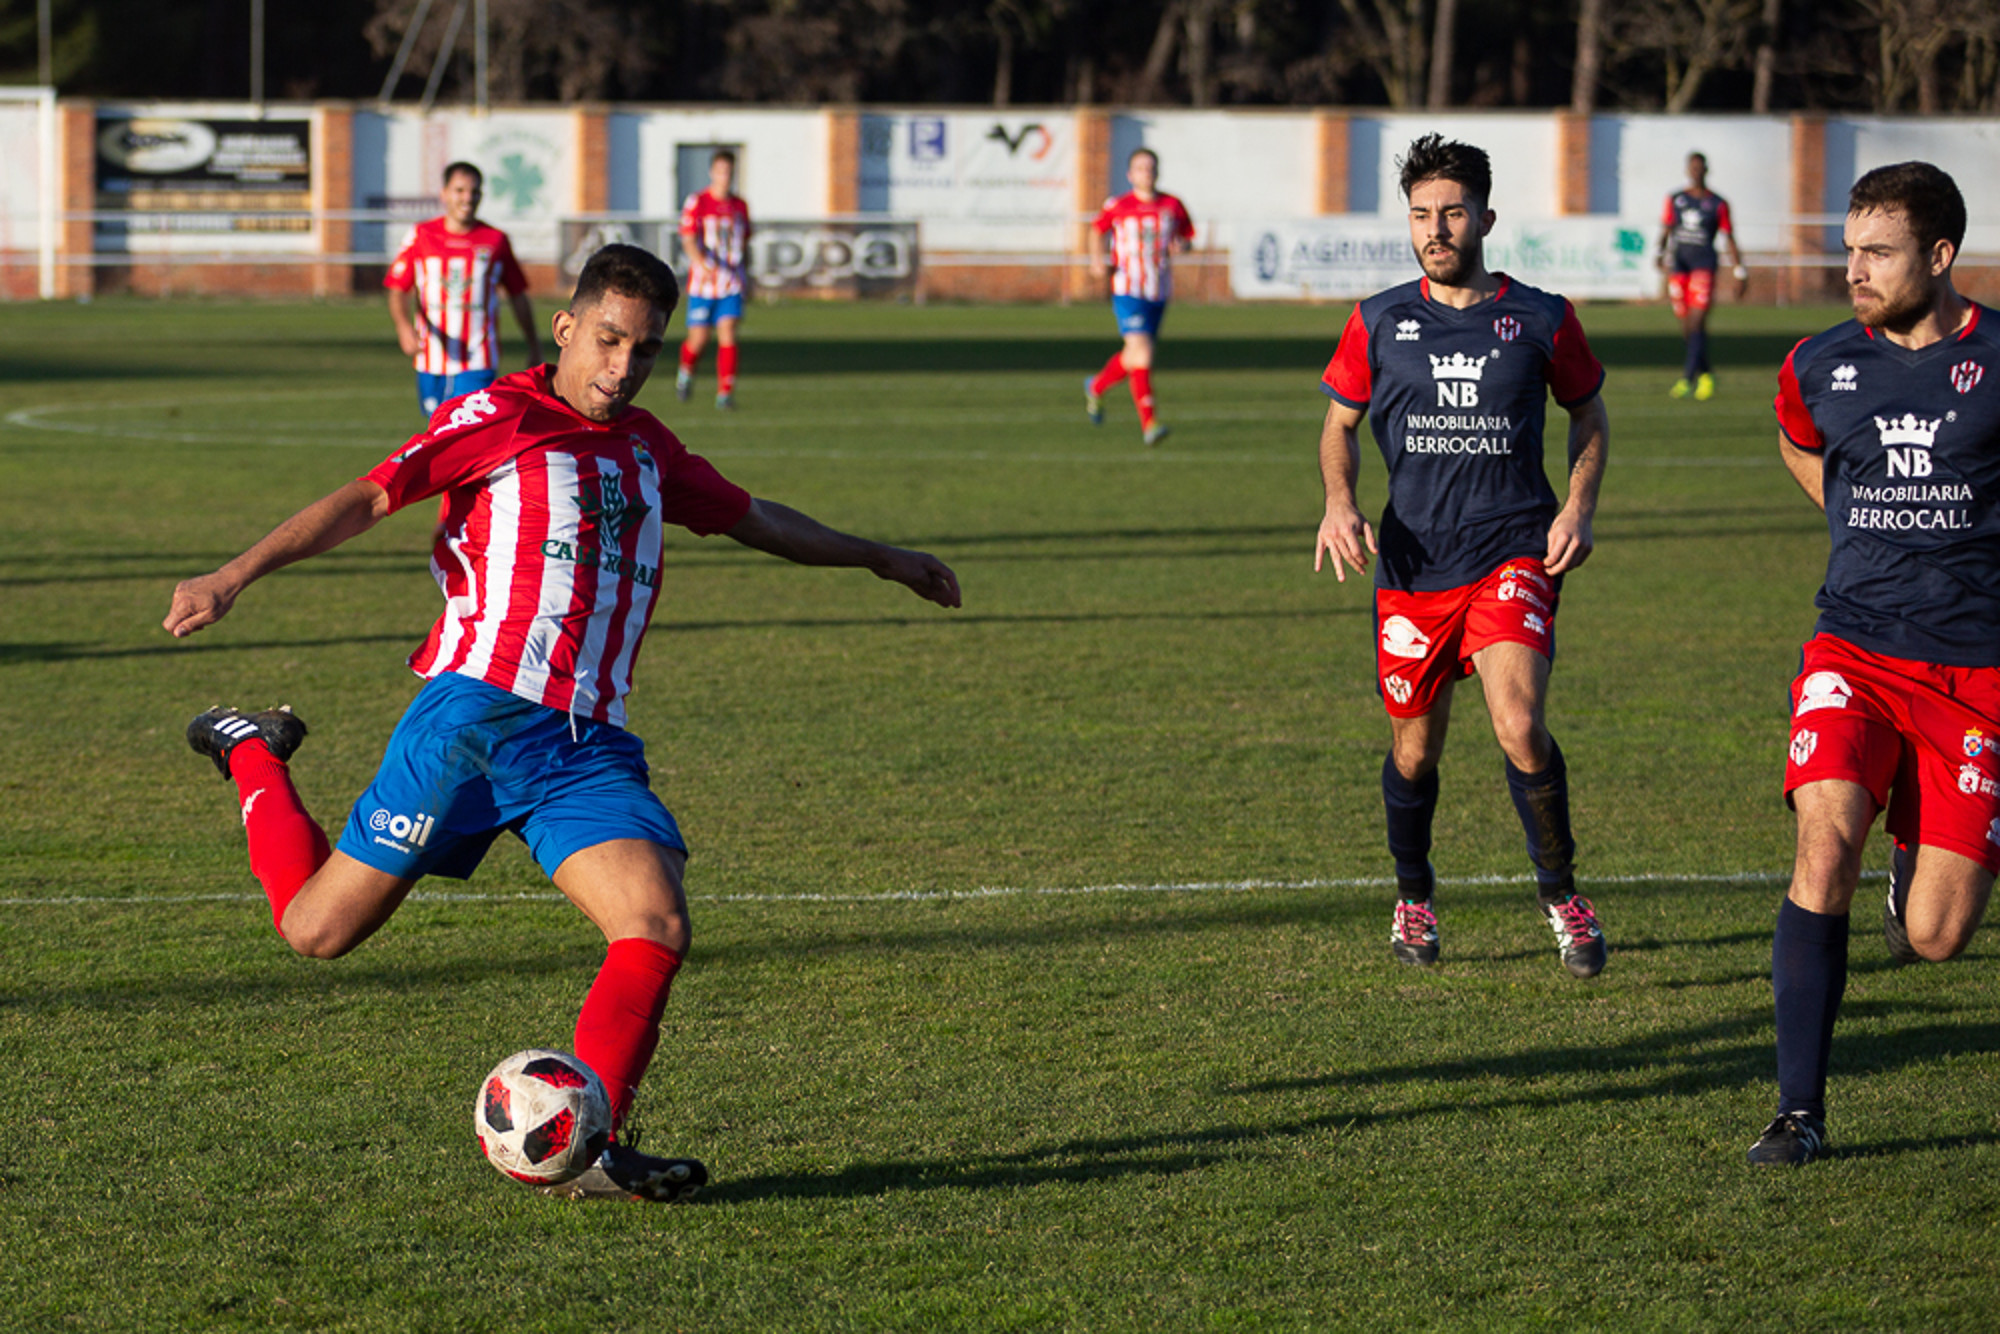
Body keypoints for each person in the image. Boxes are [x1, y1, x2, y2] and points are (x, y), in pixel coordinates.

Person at [164, 244, 961, 1202]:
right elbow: (370, 496)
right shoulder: (498, 415)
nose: (623, 367)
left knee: (655, 922)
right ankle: (253, 750)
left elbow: (758, 519)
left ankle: (596, 1152)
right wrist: (232, 574)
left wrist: (882, 556)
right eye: (611, 340)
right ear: (567, 329)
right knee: (316, 932)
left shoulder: (648, 448)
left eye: (647, 350)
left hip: (584, 744)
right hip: (473, 721)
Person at [1313, 134, 1611, 978]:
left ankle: (1561, 894)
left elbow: (1589, 417)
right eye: (1420, 215)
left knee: (1519, 724)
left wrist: (1579, 507)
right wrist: (1339, 501)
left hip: (1512, 549)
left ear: (1484, 216)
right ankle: (1414, 894)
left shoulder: (1542, 317)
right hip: (1411, 568)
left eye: (1450, 213)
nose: (1435, 229)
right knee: (1416, 752)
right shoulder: (1377, 318)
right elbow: (1338, 426)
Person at [1750, 161, 2000, 1167]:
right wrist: (1855, 523)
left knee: (1937, 937)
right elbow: (1796, 440)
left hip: (1975, 671)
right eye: (1847, 249)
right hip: (1850, 645)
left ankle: (1915, 875)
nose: (1851, 269)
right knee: (1822, 844)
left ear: (1938, 257)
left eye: (1876, 252)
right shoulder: (1815, 362)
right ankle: (1797, 1111)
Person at [386, 161, 543, 418]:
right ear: (444, 193)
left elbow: (518, 295)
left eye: (474, 191)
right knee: (436, 431)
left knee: (465, 432)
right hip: (430, 357)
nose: (468, 198)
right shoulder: (421, 235)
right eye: (460, 190)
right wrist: (403, 327)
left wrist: (533, 344)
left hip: (478, 358)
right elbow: (397, 288)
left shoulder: (495, 240)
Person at [1084, 148, 1194, 447]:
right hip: (1127, 289)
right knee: (1143, 352)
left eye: (1151, 167)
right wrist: (1096, 261)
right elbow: (1096, 230)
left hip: (1158, 290)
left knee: (1133, 356)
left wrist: (1182, 247)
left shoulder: (1172, 205)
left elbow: (1186, 238)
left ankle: (1095, 386)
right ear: (1130, 175)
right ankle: (1150, 424)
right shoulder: (1119, 205)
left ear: (1157, 172)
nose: (1146, 172)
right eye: (1140, 168)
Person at [1657, 152, 1748, 401]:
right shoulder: (1676, 199)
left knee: (1697, 322)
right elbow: (1666, 229)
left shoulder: (1718, 203)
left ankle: (1687, 378)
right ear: (1688, 170)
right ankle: (1707, 374)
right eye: (1692, 167)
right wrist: (1659, 252)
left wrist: (1740, 271)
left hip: (1703, 266)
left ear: (1706, 170)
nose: (1696, 171)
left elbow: (1729, 237)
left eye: (1700, 167)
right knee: (1687, 326)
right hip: (1679, 266)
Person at [675, 149, 752, 410]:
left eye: (729, 171)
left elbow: (745, 244)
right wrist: (701, 262)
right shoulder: (698, 202)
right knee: (699, 338)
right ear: (712, 172)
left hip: (731, 284)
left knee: (728, 333)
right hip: (703, 284)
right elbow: (687, 239)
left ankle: (725, 393)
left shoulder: (740, 206)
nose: (725, 176)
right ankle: (685, 373)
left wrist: (748, 277)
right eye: (720, 171)